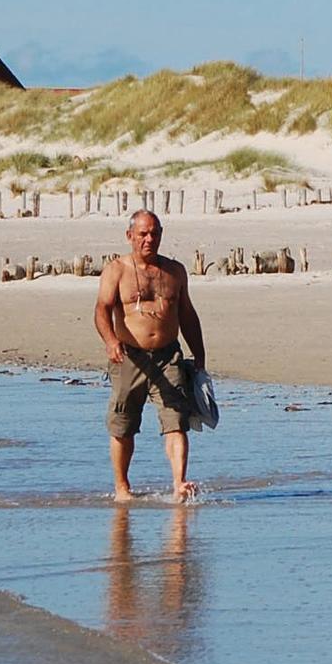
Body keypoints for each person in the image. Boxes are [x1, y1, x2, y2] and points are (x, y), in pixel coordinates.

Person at [93, 210, 207, 502]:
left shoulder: (174, 271)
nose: (149, 239)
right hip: (129, 357)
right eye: (142, 234)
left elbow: (187, 314)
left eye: (154, 233)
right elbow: (102, 309)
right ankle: (122, 488)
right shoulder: (116, 270)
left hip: (168, 357)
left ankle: (179, 483)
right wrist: (110, 341)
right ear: (129, 236)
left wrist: (199, 356)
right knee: (123, 424)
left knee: (176, 420)